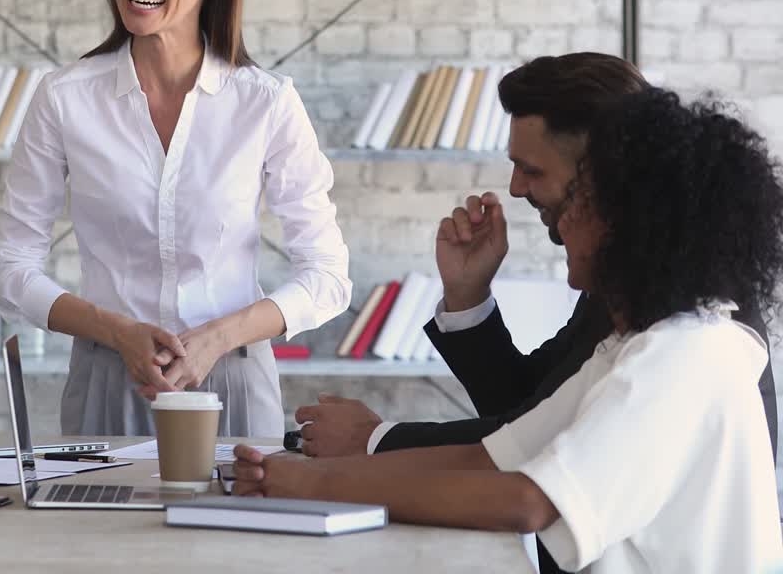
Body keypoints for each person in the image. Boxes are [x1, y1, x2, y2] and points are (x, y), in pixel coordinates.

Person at [234, 89, 783, 573]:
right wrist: (324, 471)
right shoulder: (636, 343)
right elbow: (494, 454)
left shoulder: (686, 354)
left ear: (636, 227)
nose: (560, 219)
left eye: (581, 205)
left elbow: (527, 500)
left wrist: (314, 485)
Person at [0, 0, 351, 437]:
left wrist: (216, 338)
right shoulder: (64, 99)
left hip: (231, 381)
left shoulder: (266, 104)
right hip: (107, 381)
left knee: (232, 528)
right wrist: (116, 332)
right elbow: (11, 270)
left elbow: (327, 278)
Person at [294, 54, 776, 461]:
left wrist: (374, 441)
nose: (515, 188)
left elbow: (537, 448)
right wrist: (468, 294)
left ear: (605, 176)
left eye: (532, 170)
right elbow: (532, 410)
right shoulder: (643, 270)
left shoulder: (682, 300)